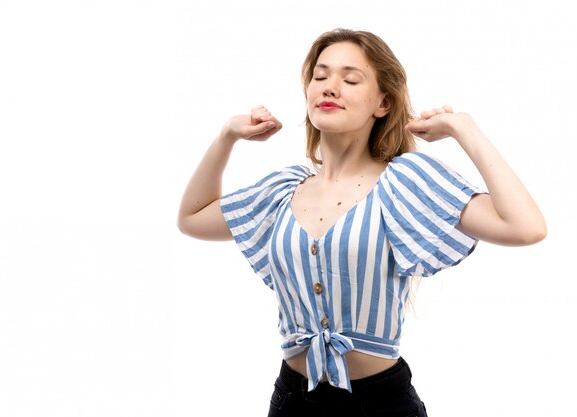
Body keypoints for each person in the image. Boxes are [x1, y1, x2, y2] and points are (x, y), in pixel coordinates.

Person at [177, 28, 546, 417]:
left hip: (380, 404)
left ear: (383, 103)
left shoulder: (404, 181)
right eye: (320, 76)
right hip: (291, 401)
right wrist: (226, 137)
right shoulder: (283, 190)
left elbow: (525, 227)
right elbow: (192, 218)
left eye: (350, 79)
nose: (329, 87)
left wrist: (464, 128)